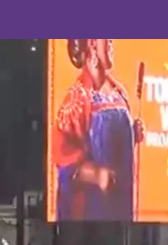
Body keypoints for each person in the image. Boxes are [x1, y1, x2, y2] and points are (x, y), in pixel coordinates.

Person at [51, 39, 144, 222]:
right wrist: (95, 174)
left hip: (122, 202)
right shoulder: (77, 99)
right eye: (106, 38)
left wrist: (133, 135)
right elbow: (63, 161)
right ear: (91, 43)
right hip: (93, 209)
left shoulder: (119, 92)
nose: (111, 43)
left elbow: (114, 149)